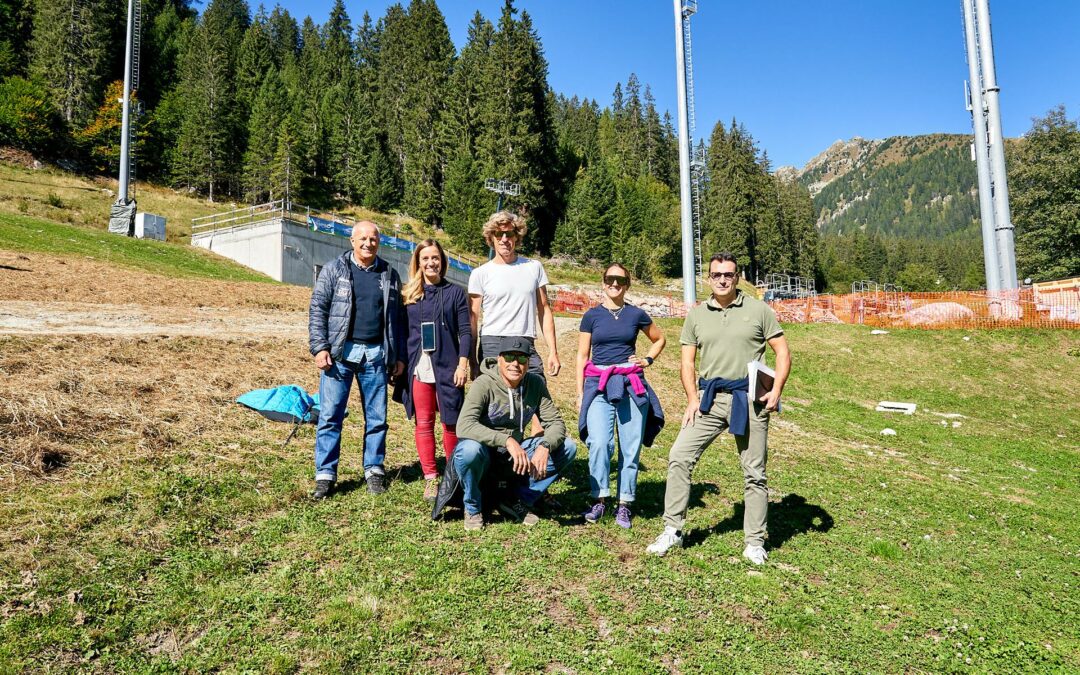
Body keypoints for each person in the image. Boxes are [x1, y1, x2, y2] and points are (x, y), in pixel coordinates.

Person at [646, 253, 791, 564]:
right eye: (716, 275)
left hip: (749, 398)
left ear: (737, 277)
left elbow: (782, 352)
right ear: (708, 278)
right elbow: (686, 362)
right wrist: (691, 400)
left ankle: (754, 542)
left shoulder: (759, 310)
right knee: (679, 456)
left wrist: (776, 390)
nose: (723, 279)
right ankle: (673, 529)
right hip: (709, 399)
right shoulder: (697, 315)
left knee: (755, 472)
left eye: (728, 274)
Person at [308, 221, 406, 499]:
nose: (368, 243)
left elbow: (397, 319)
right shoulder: (333, 270)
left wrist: (397, 355)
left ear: (379, 242)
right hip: (340, 355)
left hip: (375, 355)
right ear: (352, 241)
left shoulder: (389, 274)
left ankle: (374, 469)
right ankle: (325, 474)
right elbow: (318, 310)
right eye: (362, 238)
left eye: (373, 239)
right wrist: (319, 347)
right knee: (330, 416)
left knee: (377, 418)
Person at [453, 336, 578, 531]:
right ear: (499, 359)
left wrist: (545, 446)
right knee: (468, 450)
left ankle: (517, 499)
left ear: (528, 363)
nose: (515, 364)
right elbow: (464, 426)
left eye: (521, 359)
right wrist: (507, 440)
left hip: (514, 458)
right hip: (485, 453)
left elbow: (555, 423)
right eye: (510, 357)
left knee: (567, 448)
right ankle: (472, 506)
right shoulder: (483, 383)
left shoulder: (535, 384)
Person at [575, 263, 666, 529]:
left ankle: (624, 503)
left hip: (630, 383)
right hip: (598, 384)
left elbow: (659, 339)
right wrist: (580, 392)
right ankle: (599, 498)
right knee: (600, 443)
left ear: (627, 284)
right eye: (609, 279)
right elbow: (582, 355)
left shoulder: (637, 314)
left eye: (620, 280)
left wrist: (647, 359)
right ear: (603, 282)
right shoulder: (591, 316)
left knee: (630, 445)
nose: (614, 284)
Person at [400, 239, 472, 502]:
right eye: (426, 258)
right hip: (420, 368)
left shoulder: (455, 293)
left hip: (449, 367)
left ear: (443, 261)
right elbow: (402, 333)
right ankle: (431, 477)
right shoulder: (409, 295)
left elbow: (465, 331)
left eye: (435, 258)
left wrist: (463, 363)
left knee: (450, 423)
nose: (431, 263)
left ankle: (453, 476)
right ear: (418, 262)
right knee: (424, 423)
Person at [468, 211, 560, 379]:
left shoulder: (534, 267)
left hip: (524, 340)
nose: (504, 239)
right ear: (491, 238)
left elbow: (544, 309)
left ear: (516, 237)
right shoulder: (480, 273)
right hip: (492, 343)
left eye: (509, 233)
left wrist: (553, 351)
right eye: (498, 234)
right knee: (496, 401)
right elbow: (473, 318)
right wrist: (472, 360)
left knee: (535, 393)